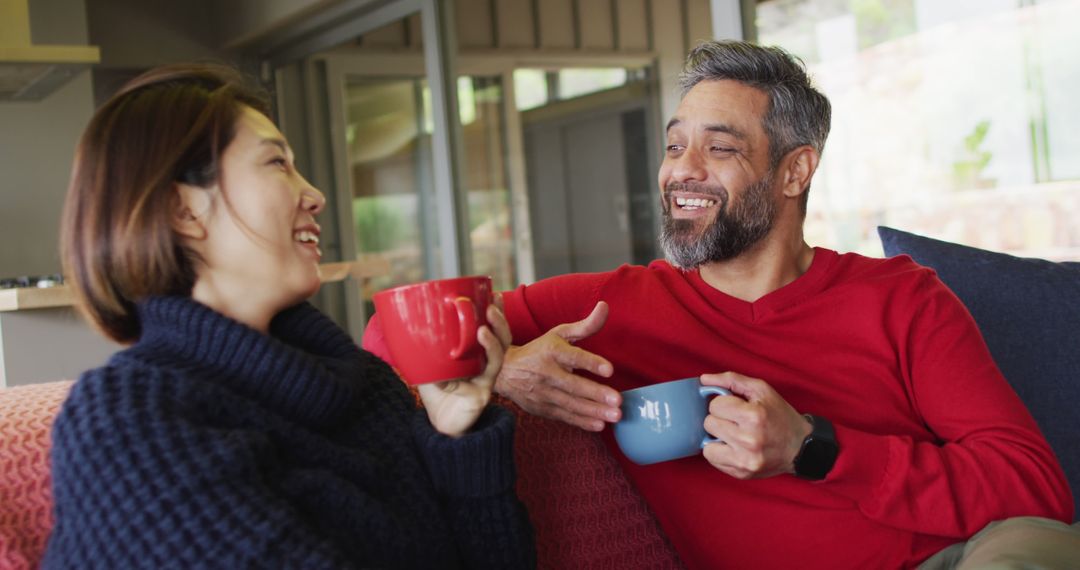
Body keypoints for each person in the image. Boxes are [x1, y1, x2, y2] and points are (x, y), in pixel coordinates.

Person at [364, 41, 1078, 568]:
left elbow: (1036, 488)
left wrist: (813, 448)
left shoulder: (901, 299)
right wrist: (507, 368)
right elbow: (385, 337)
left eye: (719, 148)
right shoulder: (611, 306)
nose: (682, 171)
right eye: (675, 146)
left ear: (795, 170)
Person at [44, 63, 535, 569]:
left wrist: (457, 437)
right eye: (278, 163)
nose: (316, 195)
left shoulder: (369, 389)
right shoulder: (127, 421)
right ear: (183, 210)